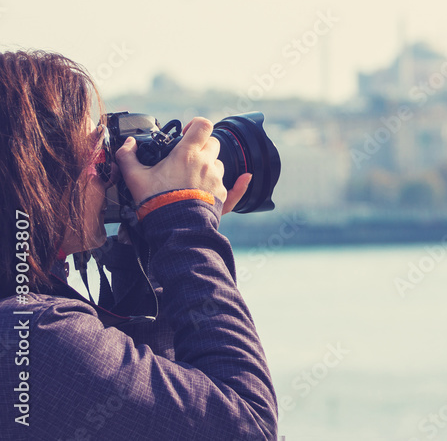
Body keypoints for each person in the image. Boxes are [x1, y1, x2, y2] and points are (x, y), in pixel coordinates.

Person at [0, 49, 278, 439]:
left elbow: (160, 414)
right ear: (38, 174)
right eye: (100, 157)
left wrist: (151, 245)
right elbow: (247, 426)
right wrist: (184, 221)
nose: (115, 172)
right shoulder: (35, 336)